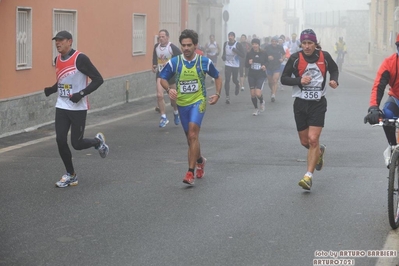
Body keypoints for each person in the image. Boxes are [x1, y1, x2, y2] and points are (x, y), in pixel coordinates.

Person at [44, 30, 109, 188]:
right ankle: (71, 175)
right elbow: (63, 81)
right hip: (62, 105)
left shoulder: (80, 58)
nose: (57, 43)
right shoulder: (58, 59)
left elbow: (98, 79)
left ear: (70, 41)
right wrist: (52, 90)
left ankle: (97, 142)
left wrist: (81, 94)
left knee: (77, 144)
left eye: (61, 40)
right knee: (60, 139)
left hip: (78, 108)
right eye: (56, 41)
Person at [159, 29, 222, 185]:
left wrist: (218, 94)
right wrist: (169, 89)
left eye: (189, 45)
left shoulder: (204, 62)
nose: (186, 48)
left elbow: (217, 77)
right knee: (190, 139)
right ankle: (200, 160)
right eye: (183, 45)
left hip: (198, 101)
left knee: (193, 134)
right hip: (182, 103)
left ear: (195, 45)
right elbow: (163, 78)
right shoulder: (175, 62)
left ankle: (190, 172)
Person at [280, 29, 339, 191]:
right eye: (304, 43)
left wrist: (334, 80)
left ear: (315, 43)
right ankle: (319, 151)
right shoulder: (294, 58)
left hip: (318, 103)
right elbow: (283, 79)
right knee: (305, 142)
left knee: (313, 139)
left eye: (310, 43)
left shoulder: (324, 57)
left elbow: (334, 69)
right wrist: (299, 80)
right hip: (300, 103)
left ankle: (308, 176)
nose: (306, 46)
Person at [364, 34, 399, 167]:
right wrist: (373, 107)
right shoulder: (389, 63)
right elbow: (378, 86)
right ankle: (393, 147)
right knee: (387, 115)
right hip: (396, 99)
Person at [152, 29, 182, 127]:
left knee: (172, 97)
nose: (161, 38)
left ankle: (176, 112)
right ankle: (163, 117)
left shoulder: (172, 47)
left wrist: (170, 62)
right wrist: (154, 65)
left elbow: (180, 57)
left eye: (163, 36)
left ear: (167, 37)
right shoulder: (156, 47)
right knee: (159, 95)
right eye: (159, 37)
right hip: (160, 73)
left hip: (170, 74)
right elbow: (154, 57)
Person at [245, 38, 267, 115]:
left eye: (256, 44)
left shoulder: (263, 53)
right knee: (252, 94)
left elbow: (267, 62)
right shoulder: (249, 53)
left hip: (260, 75)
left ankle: (261, 101)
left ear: (258, 45)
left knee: (258, 93)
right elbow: (246, 65)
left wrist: (264, 66)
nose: (254, 46)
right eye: (253, 44)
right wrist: (249, 63)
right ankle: (256, 109)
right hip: (251, 75)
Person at [221, 31, 245, 104]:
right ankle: (227, 96)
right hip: (228, 64)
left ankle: (237, 84)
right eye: (229, 36)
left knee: (234, 79)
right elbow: (223, 54)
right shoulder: (225, 44)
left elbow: (243, 55)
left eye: (231, 36)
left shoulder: (238, 44)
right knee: (227, 80)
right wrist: (223, 57)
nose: (230, 37)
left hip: (235, 64)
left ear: (234, 37)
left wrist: (236, 51)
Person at [265, 35, 286, 102]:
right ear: (271, 42)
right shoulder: (267, 47)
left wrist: (282, 59)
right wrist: (268, 57)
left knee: (275, 80)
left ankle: (273, 94)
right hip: (269, 66)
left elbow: (284, 54)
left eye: (275, 41)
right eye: (272, 41)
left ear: (277, 42)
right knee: (270, 81)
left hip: (277, 65)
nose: (274, 43)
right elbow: (263, 54)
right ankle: (272, 90)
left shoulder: (280, 47)